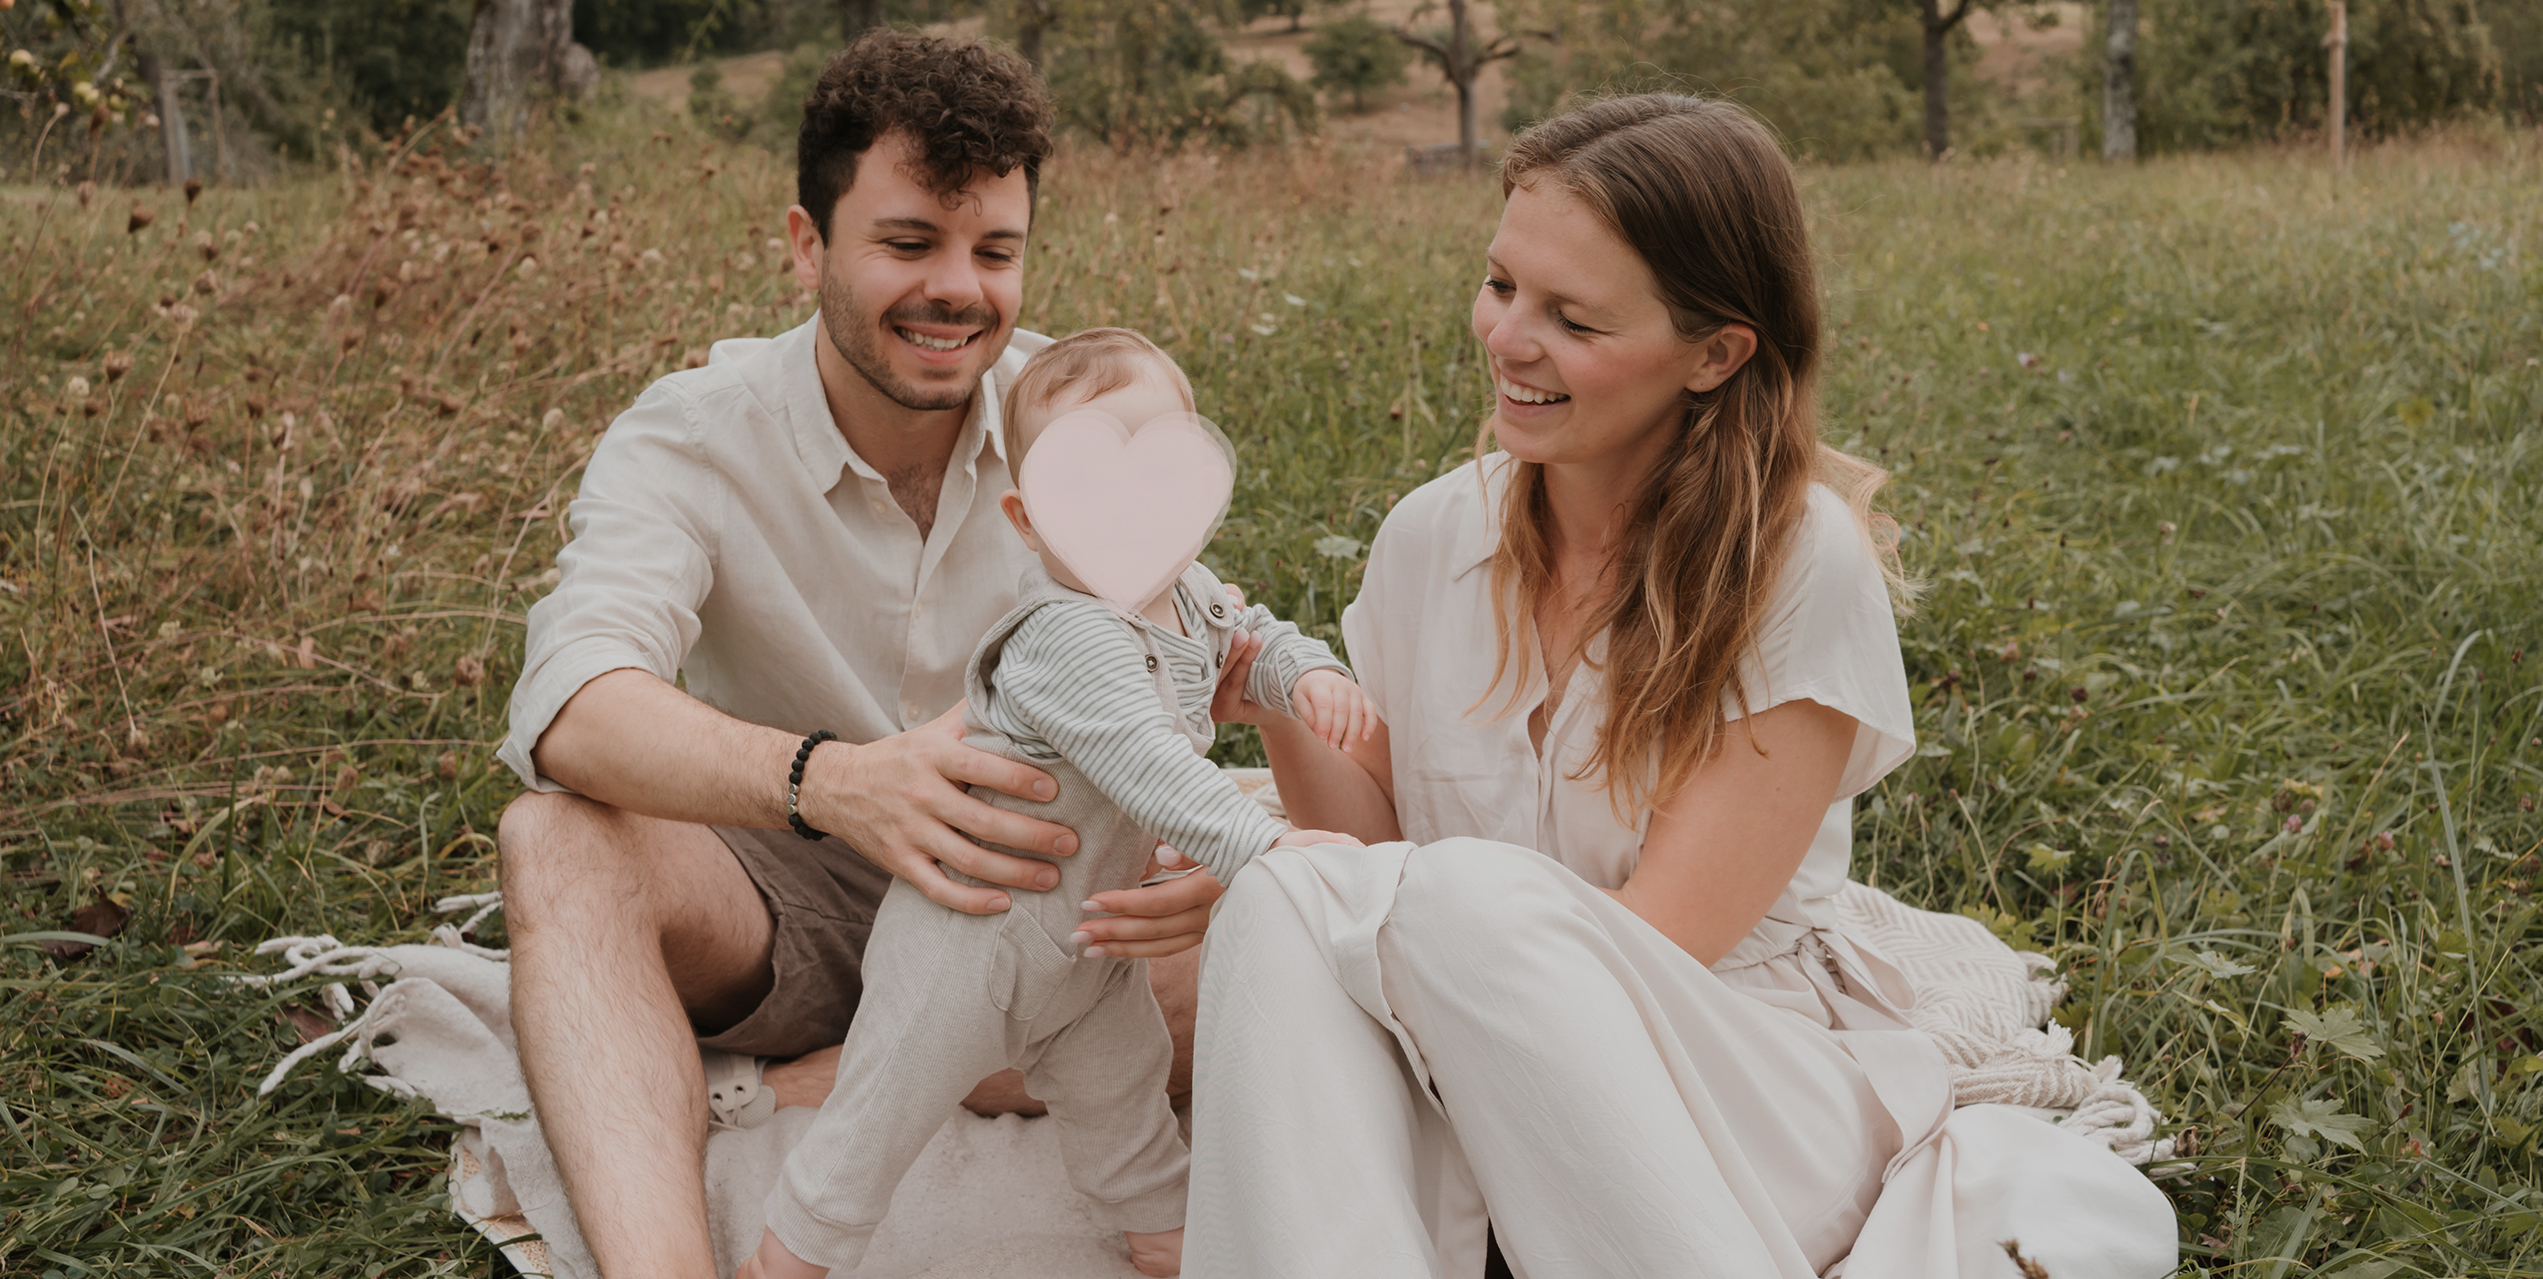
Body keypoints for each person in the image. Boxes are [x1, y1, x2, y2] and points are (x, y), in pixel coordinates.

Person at [1179, 94, 2179, 1277]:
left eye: (1574, 319)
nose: (1506, 339)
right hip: (1468, 1043)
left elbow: (1652, 944)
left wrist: (1392, 946)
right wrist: (1277, 701)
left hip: (1731, 1091)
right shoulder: (1426, 537)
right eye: (1501, 286)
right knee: (1282, 896)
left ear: (1714, 352)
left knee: (1446, 901)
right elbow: (1368, 844)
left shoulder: (1796, 562)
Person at [491, 34, 1219, 1278]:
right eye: (906, 244)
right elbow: (571, 705)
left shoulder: (1079, 413)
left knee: (1288, 920)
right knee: (551, 840)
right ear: (804, 243)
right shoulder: (695, 433)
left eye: (994, 252)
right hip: (789, 889)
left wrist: (1200, 855)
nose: (958, 290)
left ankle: (859, 1077)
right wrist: (834, 783)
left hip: (1033, 893)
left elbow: (1200, 638)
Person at [736, 328, 1375, 1279]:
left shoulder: (1184, 593)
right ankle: (785, 1261)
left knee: (1127, 1102)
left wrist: (1307, 674)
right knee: (880, 1113)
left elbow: (1251, 635)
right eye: (1086, 492)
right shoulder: (1064, 637)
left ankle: (1166, 1240)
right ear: (1029, 520)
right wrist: (1266, 846)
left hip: (1088, 952)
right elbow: (1149, 762)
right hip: (970, 940)